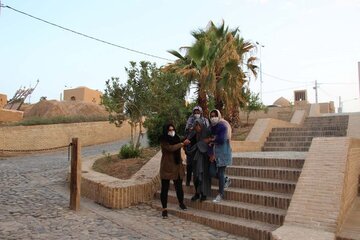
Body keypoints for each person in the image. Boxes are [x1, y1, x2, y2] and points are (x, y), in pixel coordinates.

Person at [159, 123, 191, 219]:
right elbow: (170, 148)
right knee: (164, 189)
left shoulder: (176, 138)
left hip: (177, 167)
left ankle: (181, 203)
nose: (171, 131)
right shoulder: (163, 140)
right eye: (169, 130)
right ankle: (164, 209)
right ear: (166, 131)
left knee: (179, 187)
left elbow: (182, 140)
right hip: (167, 167)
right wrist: (182, 144)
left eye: (173, 129)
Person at [208, 109, 232, 203]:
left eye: (215, 115)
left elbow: (221, 139)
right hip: (214, 154)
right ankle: (226, 179)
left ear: (219, 116)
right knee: (212, 172)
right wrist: (211, 154)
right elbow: (209, 142)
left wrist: (213, 140)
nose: (213, 118)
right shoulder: (211, 128)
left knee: (221, 173)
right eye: (211, 116)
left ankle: (220, 194)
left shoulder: (223, 126)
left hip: (223, 153)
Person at [185, 119, 212, 202]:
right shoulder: (193, 134)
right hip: (195, 159)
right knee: (196, 177)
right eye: (195, 125)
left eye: (198, 125)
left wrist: (203, 144)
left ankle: (204, 194)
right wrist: (187, 143)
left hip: (205, 159)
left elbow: (211, 142)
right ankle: (197, 193)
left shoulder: (207, 132)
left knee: (204, 177)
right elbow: (189, 143)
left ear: (201, 125)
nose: (197, 127)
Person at [184, 106, 210, 186]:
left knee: (199, 165)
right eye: (195, 113)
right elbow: (186, 132)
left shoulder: (205, 120)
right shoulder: (190, 120)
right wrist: (191, 129)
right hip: (191, 144)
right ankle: (188, 180)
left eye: (198, 112)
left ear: (201, 112)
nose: (196, 114)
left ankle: (201, 183)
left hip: (201, 145)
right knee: (189, 163)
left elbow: (207, 131)